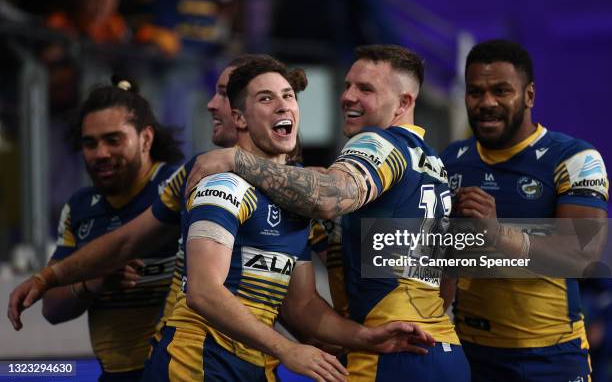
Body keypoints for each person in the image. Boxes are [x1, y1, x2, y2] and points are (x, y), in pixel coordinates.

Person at [8, 55, 435, 381]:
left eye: (288, 97)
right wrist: (50, 277)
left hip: (252, 363)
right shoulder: (219, 182)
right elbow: (201, 291)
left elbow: (301, 304)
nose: (212, 103)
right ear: (240, 117)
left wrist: (364, 338)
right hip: (197, 361)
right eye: (265, 97)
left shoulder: (299, 193)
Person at [182, 44, 471, 381]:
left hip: (392, 354)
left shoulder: (378, 142)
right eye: (348, 85)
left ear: (404, 103)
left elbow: (330, 198)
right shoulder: (432, 165)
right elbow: (446, 282)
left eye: (365, 89)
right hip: (439, 347)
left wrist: (237, 159)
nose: (347, 96)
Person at [440, 39, 609, 381]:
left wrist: (499, 233)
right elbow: (443, 262)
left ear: (529, 95)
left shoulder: (576, 159)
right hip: (471, 354)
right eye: (476, 92)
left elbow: (584, 254)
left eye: (501, 91)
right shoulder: (451, 160)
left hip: (551, 357)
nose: (487, 103)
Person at [41, 75, 184, 381]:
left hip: (182, 372)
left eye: (113, 139)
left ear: (146, 139)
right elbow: (51, 309)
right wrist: (93, 282)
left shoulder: (182, 186)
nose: (100, 153)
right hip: (114, 374)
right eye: (89, 143)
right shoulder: (79, 208)